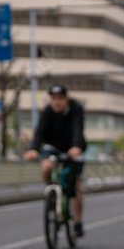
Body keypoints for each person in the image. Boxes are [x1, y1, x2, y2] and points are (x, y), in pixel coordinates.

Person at [25, 84, 87, 237]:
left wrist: (76, 147)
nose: (56, 102)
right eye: (53, 99)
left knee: (75, 183)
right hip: (52, 146)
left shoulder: (75, 108)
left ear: (66, 99)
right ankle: (52, 195)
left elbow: (77, 128)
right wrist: (33, 149)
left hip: (73, 147)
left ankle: (77, 222)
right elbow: (39, 131)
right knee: (46, 166)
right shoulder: (47, 111)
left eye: (60, 99)